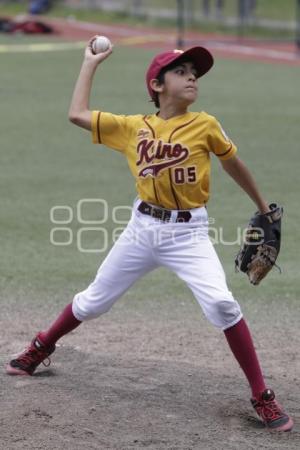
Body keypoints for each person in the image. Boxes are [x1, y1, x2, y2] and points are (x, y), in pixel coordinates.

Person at [6, 39, 293, 432]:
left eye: (195, 73)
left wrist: (265, 209)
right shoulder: (132, 128)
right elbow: (76, 114)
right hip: (142, 230)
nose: (192, 77)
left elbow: (233, 164)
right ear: (157, 86)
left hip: (189, 234)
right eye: (181, 71)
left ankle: (261, 394)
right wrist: (90, 63)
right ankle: (42, 345)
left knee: (223, 305)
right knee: (92, 302)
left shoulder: (205, 124)